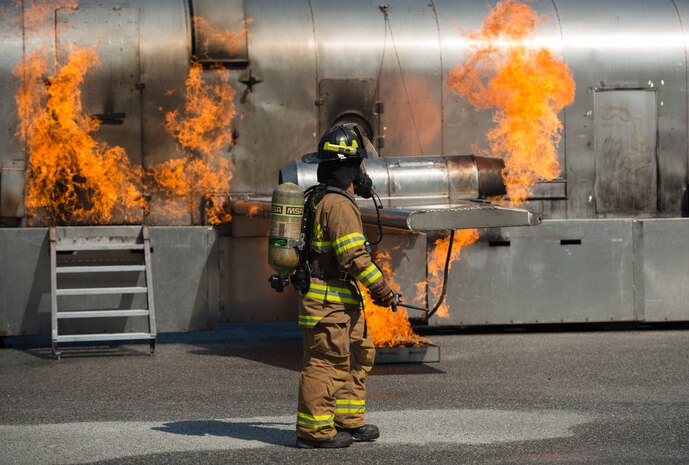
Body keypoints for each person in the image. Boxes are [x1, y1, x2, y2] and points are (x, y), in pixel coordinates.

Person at [295, 125, 395, 449]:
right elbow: (354, 256)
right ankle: (315, 432)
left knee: (357, 354)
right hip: (328, 303)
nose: (362, 176)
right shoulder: (337, 205)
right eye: (358, 167)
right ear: (349, 168)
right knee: (326, 363)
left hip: (340, 300)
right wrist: (382, 290)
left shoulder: (323, 198)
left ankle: (348, 420)